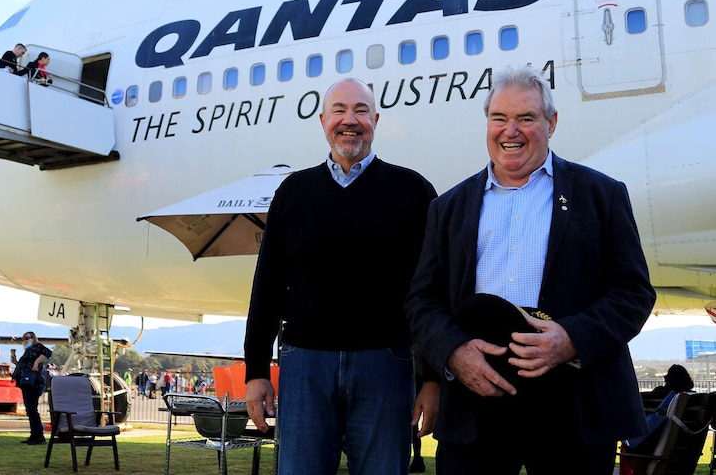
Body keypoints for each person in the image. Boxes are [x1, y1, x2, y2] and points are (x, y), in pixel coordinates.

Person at [406, 65, 656, 475]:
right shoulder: (447, 208)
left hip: (574, 406)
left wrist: (572, 338)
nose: (511, 131)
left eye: (526, 118)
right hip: (475, 406)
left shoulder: (601, 195)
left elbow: (633, 293)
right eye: (499, 118)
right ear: (487, 123)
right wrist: (454, 351)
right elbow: (422, 301)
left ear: (551, 123)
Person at [244, 77, 440, 475]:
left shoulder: (414, 191)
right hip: (304, 366)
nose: (350, 121)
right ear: (322, 121)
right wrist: (256, 372)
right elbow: (266, 287)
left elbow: (433, 292)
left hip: (386, 365)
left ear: (376, 120)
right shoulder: (292, 192)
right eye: (339, 110)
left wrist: (433, 380)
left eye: (361, 111)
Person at [10, 331, 52, 445]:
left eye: (27, 338)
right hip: (26, 382)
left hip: (33, 383)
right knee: (30, 410)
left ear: (33, 338)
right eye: (23, 339)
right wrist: (16, 362)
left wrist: (36, 363)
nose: (25, 340)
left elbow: (48, 352)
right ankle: (34, 435)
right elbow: (25, 365)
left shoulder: (37, 347)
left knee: (32, 410)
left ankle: (39, 435)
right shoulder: (28, 350)